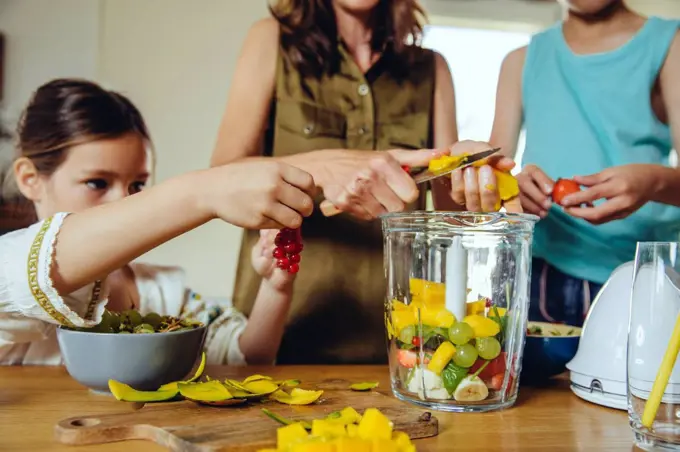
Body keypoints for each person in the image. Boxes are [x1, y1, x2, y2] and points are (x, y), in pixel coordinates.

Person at [210, 0, 464, 364]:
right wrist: (321, 169)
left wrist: (474, 168)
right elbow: (224, 177)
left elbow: (450, 219)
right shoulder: (272, 40)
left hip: (397, 345)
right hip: (276, 337)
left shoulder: (431, 68)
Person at [0, 78, 318, 365]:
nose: (125, 201)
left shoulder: (164, 292)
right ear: (30, 179)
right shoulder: (11, 275)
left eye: (137, 186)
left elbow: (241, 359)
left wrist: (275, 289)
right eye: (97, 183)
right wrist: (205, 191)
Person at [453, 0, 680, 326]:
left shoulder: (671, 44)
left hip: (640, 277)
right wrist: (514, 188)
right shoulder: (521, 61)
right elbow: (496, 171)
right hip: (538, 275)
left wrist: (653, 182)